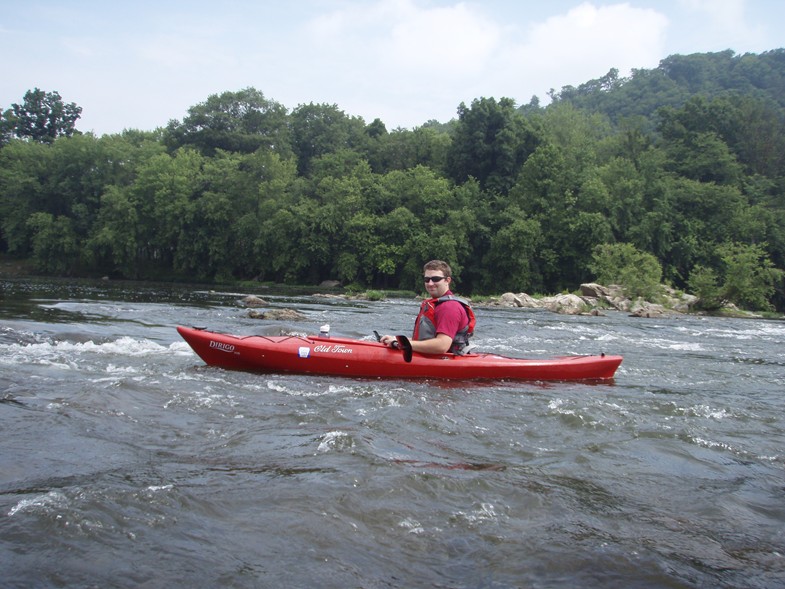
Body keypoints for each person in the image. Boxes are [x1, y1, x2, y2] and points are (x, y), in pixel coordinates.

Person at [380, 260, 476, 355]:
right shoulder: (438, 304)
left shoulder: (449, 307)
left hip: (445, 361)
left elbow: (442, 346)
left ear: (447, 280)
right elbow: (423, 340)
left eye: (435, 279)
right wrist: (396, 340)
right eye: (427, 279)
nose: (430, 283)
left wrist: (404, 344)